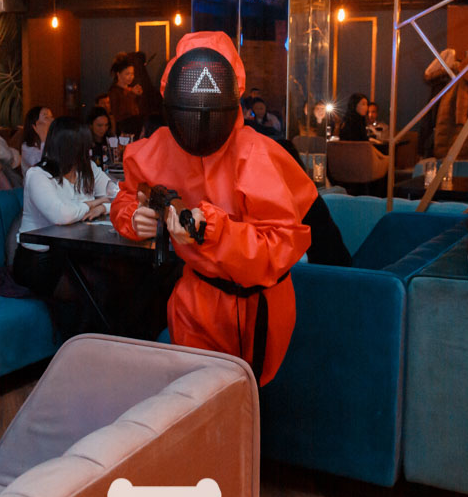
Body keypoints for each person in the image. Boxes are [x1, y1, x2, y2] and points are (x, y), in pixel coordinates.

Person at [111, 31, 315, 385]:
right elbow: (128, 195)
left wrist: (213, 230)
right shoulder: (158, 148)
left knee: (246, 403)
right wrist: (132, 216)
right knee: (193, 401)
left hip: (256, 309)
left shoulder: (256, 154)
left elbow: (280, 246)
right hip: (194, 300)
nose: (200, 118)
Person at [15, 117, 119, 296]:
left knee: (123, 275)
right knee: (103, 286)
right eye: (84, 145)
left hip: (74, 253)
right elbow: (61, 216)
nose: (89, 149)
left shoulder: (86, 168)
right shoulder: (38, 175)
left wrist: (103, 208)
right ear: (71, 147)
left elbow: (117, 195)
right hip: (40, 262)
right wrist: (93, 203)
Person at [108, 54, 144, 132]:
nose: (131, 77)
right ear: (118, 74)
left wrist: (139, 95)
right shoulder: (114, 91)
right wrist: (132, 94)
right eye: (127, 74)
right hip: (123, 129)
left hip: (135, 126)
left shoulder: (131, 89)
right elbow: (118, 113)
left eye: (132, 74)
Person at [19, 105, 53, 174]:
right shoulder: (26, 146)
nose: (52, 120)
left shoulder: (55, 139)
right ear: (35, 124)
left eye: (51, 116)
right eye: (46, 117)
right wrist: (44, 140)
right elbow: (40, 166)